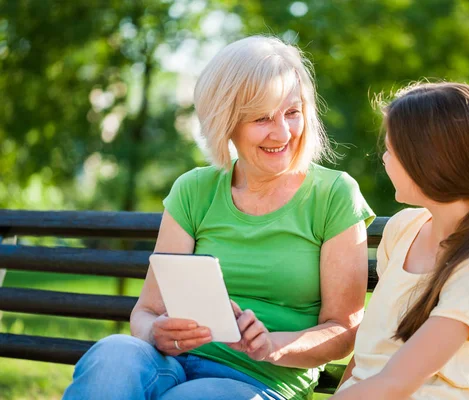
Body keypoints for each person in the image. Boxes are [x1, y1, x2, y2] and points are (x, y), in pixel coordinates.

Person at [63, 35, 375, 400]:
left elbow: (343, 330)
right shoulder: (195, 190)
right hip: (173, 364)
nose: (283, 132)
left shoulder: (334, 194)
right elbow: (146, 312)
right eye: (262, 118)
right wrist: (155, 332)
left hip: (260, 382)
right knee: (113, 355)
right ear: (227, 123)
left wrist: (272, 345)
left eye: (292, 112)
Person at [332, 82, 469, 399]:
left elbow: (395, 384)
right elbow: (370, 356)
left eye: (392, 150)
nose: (384, 159)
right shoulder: (402, 229)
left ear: (429, 163)